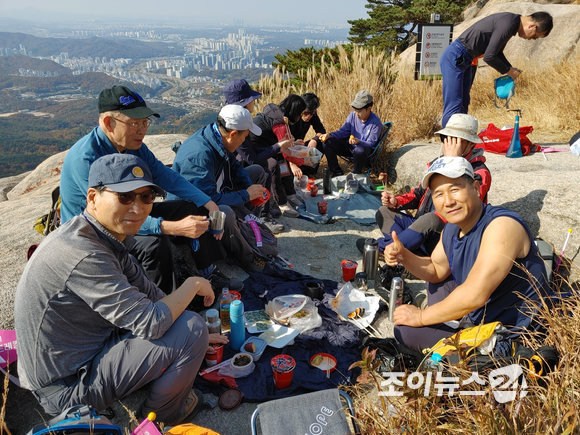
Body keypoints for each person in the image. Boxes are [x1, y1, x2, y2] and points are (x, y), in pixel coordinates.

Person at [15, 154, 229, 426]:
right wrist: (194, 284)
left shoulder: (99, 236)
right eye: (125, 197)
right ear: (93, 197)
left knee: (188, 327)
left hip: (82, 355)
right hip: (66, 389)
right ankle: (160, 417)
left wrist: (190, 332)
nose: (138, 208)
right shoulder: (84, 254)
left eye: (146, 197)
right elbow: (151, 323)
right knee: (192, 328)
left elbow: (148, 291)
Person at [60, 85, 241, 294]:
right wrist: (170, 227)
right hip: (96, 231)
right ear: (108, 123)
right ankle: (163, 304)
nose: (142, 129)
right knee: (153, 242)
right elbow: (110, 217)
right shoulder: (86, 159)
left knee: (192, 207)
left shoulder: (132, 146)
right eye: (134, 123)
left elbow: (164, 175)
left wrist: (206, 202)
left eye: (145, 122)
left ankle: (208, 271)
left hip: (128, 211)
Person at [384, 156, 550, 352]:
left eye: (455, 189)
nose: (448, 201)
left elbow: (475, 294)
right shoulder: (452, 229)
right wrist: (404, 255)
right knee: (438, 281)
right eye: (438, 194)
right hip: (478, 315)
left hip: (509, 331)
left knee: (406, 332)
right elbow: (436, 269)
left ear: (477, 188)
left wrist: (421, 317)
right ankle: (453, 333)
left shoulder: (502, 225)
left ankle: (460, 352)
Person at [369, 113, 491, 256]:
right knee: (384, 213)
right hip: (424, 229)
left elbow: (464, 206)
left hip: (449, 235)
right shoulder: (438, 162)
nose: (448, 144)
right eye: (446, 138)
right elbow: (419, 193)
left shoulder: (480, 172)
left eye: (455, 140)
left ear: (471, 144)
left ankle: (386, 250)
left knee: (431, 219)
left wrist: (453, 163)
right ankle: (410, 256)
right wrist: (396, 201)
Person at [170, 104, 272, 272]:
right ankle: (246, 255)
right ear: (233, 134)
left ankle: (245, 233)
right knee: (225, 213)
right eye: (245, 137)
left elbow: (235, 166)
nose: (245, 141)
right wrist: (245, 195)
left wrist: (249, 187)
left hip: (216, 192)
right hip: (190, 213)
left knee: (256, 173)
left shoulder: (216, 136)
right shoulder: (199, 156)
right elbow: (206, 201)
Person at [440, 12, 553, 127]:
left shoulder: (511, 23)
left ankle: (459, 140)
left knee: (463, 103)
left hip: (466, 59)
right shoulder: (508, 24)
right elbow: (489, 57)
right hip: (456, 56)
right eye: (534, 36)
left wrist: (510, 68)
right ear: (532, 26)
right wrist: (508, 71)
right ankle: (448, 142)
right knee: (454, 103)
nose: (530, 39)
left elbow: (497, 53)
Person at [223, 79, 289, 231]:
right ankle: (263, 216)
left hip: (235, 168)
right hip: (231, 178)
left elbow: (251, 149)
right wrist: (277, 146)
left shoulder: (239, 119)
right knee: (263, 170)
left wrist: (277, 147)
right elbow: (252, 158)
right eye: (252, 100)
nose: (254, 103)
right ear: (244, 104)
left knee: (269, 163)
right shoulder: (234, 125)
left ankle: (266, 207)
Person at [245, 94, 307, 217]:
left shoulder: (276, 112)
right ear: (294, 111)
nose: (300, 118)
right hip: (256, 148)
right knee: (276, 166)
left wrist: (293, 143)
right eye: (299, 114)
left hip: (265, 145)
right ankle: (282, 203)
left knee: (284, 164)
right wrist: (304, 162)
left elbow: (284, 144)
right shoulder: (280, 124)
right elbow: (286, 152)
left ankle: (290, 194)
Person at [319, 90, 383, 176]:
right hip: (350, 146)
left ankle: (356, 173)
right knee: (327, 142)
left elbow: (371, 143)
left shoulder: (376, 122)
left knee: (359, 150)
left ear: (369, 109)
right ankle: (336, 171)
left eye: (359, 111)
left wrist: (359, 142)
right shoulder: (352, 115)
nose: (357, 113)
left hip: (364, 149)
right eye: (355, 110)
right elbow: (343, 132)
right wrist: (329, 135)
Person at [289, 92, 327, 177]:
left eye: (312, 113)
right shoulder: (291, 116)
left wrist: (315, 139)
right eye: (306, 113)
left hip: (300, 147)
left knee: (322, 141)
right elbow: (283, 145)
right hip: (289, 150)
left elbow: (321, 131)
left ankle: (310, 170)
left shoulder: (312, 114)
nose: (308, 116)